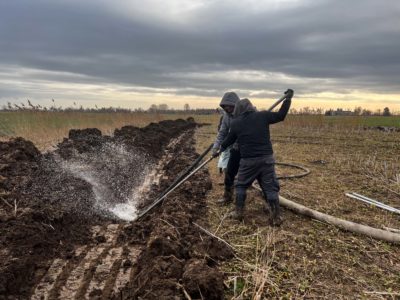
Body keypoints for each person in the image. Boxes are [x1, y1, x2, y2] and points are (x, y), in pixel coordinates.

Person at [215, 90, 293, 225]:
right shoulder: (263, 116)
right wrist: (288, 100)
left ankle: (238, 212)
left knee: (240, 185)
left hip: (248, 161)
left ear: (238, 109)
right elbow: (281, 115)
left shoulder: (236, 123)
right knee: (270, 188)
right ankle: (276, 217)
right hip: (267, 159)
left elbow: (228, 140)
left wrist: (219, 150)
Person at [212, 92, 241, 205]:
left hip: (247, 147)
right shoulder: (226, 116)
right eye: (225, 106)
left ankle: (240, 201)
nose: (228, 108)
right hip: (234, 148)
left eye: (230, 106)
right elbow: (222, 133)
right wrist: (216, 148)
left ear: (236, 104)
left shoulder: (244, 114)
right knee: (229, 171)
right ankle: (227, 197)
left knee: (246, 174)